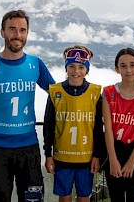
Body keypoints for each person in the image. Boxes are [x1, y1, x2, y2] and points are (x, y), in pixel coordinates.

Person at [0, 9, 55, 202]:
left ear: (27, 34)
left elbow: (58, 95)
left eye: (22, 30)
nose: (18, 35)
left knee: (33, 200)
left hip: (29, 148)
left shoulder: (36, 64)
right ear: (2, 32)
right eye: (12, 29)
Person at [43, 45, 104, 202]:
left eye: (81, 67)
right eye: (71, 66)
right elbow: (48, 125)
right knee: (64, 196)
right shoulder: (55, 92)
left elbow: (98, 128)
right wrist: (48, 154)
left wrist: (97, 155)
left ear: (87, 70)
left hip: (86, 157)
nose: (76, 71)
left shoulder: (95, 93)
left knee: (84, 197)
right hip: (62, 157)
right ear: (66, 68)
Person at [102, 48, 134, 202]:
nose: (128, 70)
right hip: (114, 151)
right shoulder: (108, 93)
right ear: (117, 69)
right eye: (123, 66)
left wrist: (132, 162)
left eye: (132, 65)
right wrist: (112, 160)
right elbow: (108, 129)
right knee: (115, 197)